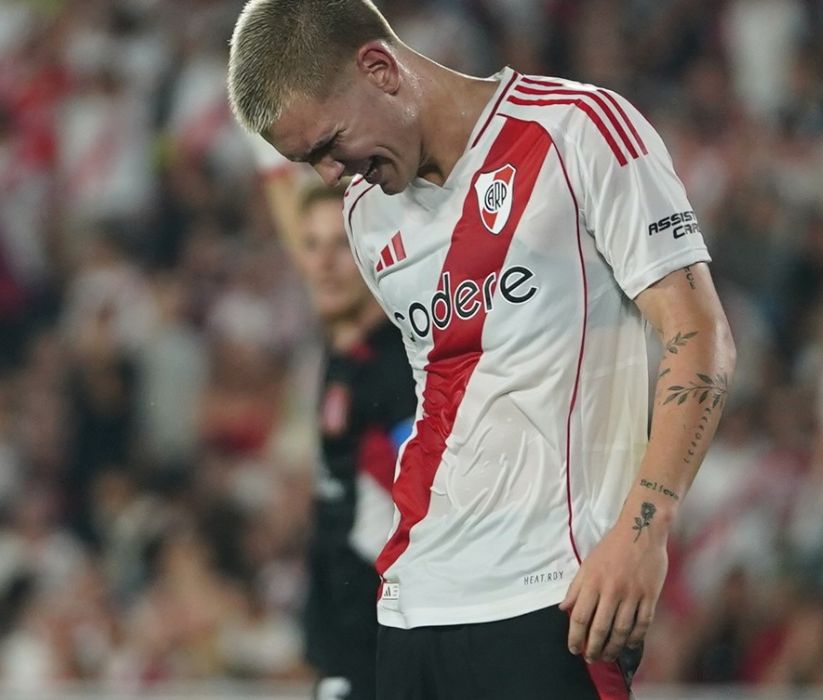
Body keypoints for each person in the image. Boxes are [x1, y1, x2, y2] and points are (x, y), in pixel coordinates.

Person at [227, 1, 738, 698]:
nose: (328, 175)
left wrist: (644, 529)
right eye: (305, 161)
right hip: (412, 603)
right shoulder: (366, 214)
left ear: (379, 68)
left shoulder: (575, 131)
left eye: (327, 144)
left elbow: (698, 335)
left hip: (553, 598)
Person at [251, 137, 415, 700]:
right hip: (342, 629)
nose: (318, 262)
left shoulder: (398, 369)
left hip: (384, 638)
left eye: (337, 249)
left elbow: (421, 503)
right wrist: (269, 154)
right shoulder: (346, 347)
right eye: (310, 246)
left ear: (372, 254)